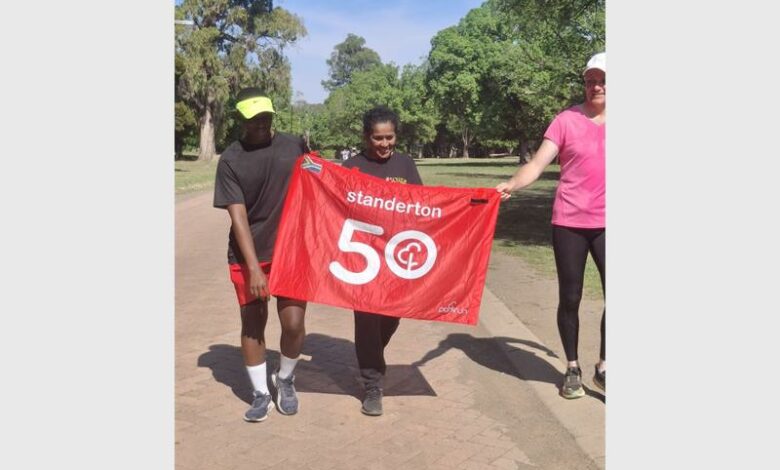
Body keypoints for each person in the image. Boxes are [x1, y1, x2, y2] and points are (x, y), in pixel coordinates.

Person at [496, 52, 606, 399]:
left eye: (602, 79)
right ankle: (572, 367)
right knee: (570, 296)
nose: (595, 85)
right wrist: (512, 183)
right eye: (590, 80)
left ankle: (605, 366)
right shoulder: (565, 120)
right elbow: (537, 164)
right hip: (570, 221)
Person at [213, 87, 309, 421]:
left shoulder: (294, 145)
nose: (262, 124)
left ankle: (284, 379)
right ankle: (259, 393)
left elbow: (318, 181)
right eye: (254, 119)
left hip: (292, 251)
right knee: (253, 322)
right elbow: (238, 216)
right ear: (240, 119)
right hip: (249, 253)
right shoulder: (231, 160)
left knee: (294, 323)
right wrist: (254, 269)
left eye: (266, 117)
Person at [341, 105, 423, 416]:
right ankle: (373, 384)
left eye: (390, 137)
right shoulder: (352, 168)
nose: (385, 144)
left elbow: (423, 205)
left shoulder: (405, 164)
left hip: (396, 256)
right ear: (366, 137)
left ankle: (371, 355)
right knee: (366, 319)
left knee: (391, 315)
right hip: (362, 258)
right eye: (378, 138)